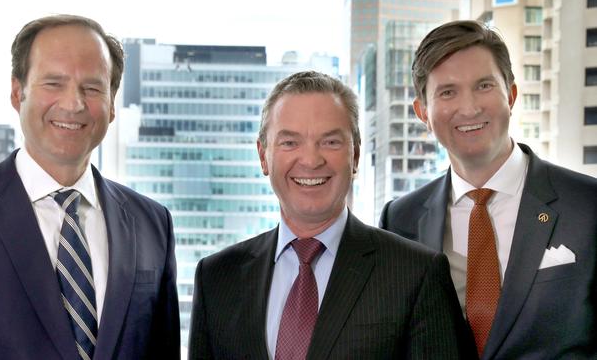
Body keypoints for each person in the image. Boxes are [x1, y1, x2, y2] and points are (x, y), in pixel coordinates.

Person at [189, 71, 470, 359]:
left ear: (356, 156)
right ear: (263, 156)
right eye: (289, 142)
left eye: (330, 142)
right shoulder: (216, 278)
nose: (311, 160)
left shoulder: (417, 274)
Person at [0, 15, 180, 359]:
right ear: (17, 92)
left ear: (112, 103)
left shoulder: (152, 223)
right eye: (53, 83)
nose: (74, 104)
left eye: (92, 87)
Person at [380, 20, 597, 359]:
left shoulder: (588, 205)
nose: (469, 108)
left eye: (483, 86)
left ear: (511, 94)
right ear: (422, 111)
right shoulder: (400, 220)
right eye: (447, 92)